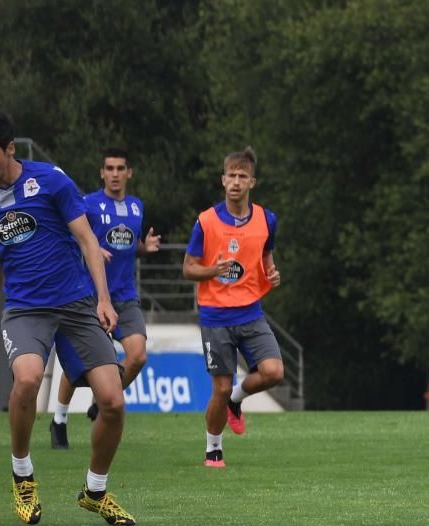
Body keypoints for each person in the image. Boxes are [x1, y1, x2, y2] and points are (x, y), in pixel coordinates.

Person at [0, 112, 135, 526]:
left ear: (10, 149)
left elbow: (87, 240)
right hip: (25, 309)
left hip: (77, 305)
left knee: (112, 402)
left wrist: (104, 300)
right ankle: (22, 477)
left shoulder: (52, 181)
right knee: (26, 379)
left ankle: (95, 490)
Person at [48, 148, 162, 449]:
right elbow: (69, 233)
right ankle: (58, 420)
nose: (114, 173)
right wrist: (92, 249)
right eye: (109, 168)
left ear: (129, 173)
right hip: (91, 296)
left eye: (120, 168)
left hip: (125, 296)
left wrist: (143, 247)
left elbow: (126, 242)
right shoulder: (88, 203)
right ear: (102, 173)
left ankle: (103, 400)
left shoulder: (137, 207)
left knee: (137, 356)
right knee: (78, 368)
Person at [182, 147, 284, 467]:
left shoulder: (267, 219)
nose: (236, 181)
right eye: (231, 176)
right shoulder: (206, 221)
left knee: (273, 372)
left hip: (251, 311)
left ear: (252, 181)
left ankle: (236, 401)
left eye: (243, 176)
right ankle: (214, 448)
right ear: (222, 180)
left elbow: (265, 252)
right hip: (215, 315)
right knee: (220, 388)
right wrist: (214, 269)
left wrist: (271, 270)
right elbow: (188, 269)